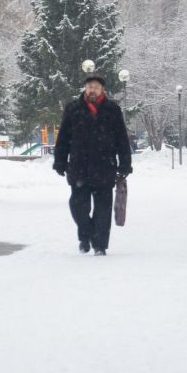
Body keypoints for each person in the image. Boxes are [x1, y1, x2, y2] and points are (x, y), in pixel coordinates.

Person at [53, 72, 132, 256]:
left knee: (103, 208)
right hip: (79, 167)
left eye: (96, 87)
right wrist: (60, 161)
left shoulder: (112, 109)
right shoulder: (73, 108)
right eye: (89, 87)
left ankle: (100, 245)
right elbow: (63, 137)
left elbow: (122, 138)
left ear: (102, 89)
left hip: (105, 167)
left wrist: (125, 163)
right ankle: (85, 235)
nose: (92, 90)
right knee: (77, 205)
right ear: (85, 88)